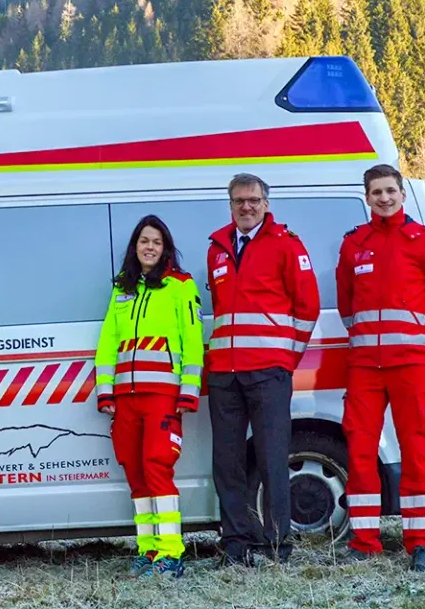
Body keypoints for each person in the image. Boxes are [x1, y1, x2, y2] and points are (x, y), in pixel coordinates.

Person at [335, 164, 425, 573]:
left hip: (411, 368)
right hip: (365, 369)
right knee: (359, 452)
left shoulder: (424, 242)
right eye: (376, 192)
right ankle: (363, 540)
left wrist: (420, 342)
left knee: (417, 454)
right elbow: (347, 306)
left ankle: (423, 543)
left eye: (390, 191)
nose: (384, 198)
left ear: (402, 195)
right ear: (367, 198)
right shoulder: (354, 244)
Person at [206, 173, 319, 566]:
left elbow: (308, 308)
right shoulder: (217, 248)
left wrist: (287, 361)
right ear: (230, 205)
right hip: (224, 374)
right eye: (239, 201)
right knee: (227, 462)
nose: (246, 207)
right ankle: (235, 543)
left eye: (253, 200)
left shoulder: (286, 245)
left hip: (269, 372)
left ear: (266, 203)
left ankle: (276, 544)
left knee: (273, 460)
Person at [95, 215, 205, 578]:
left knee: (157, 467)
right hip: (126, 397)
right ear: (135, 246)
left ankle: (171, 552)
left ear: (166, 248)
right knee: (135, 471)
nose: (149, 247)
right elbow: (109, 342)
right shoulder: (122, 287)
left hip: (162, 395)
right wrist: (105, 390)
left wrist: (188, 393)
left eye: (156, 242)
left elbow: (192, 342)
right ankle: (148, 549)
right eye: (144, 240)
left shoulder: (180, 286)